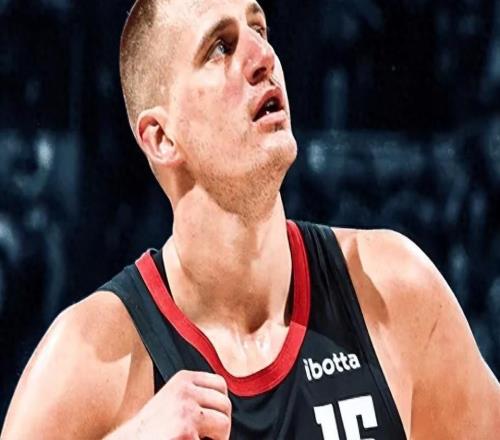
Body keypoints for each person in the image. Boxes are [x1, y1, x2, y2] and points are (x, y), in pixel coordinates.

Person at [2, 0, 500, 438]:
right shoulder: (93, 357)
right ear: (162, 138)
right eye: (220, 47)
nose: (264, 58)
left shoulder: (393, 290)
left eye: (259, 30)